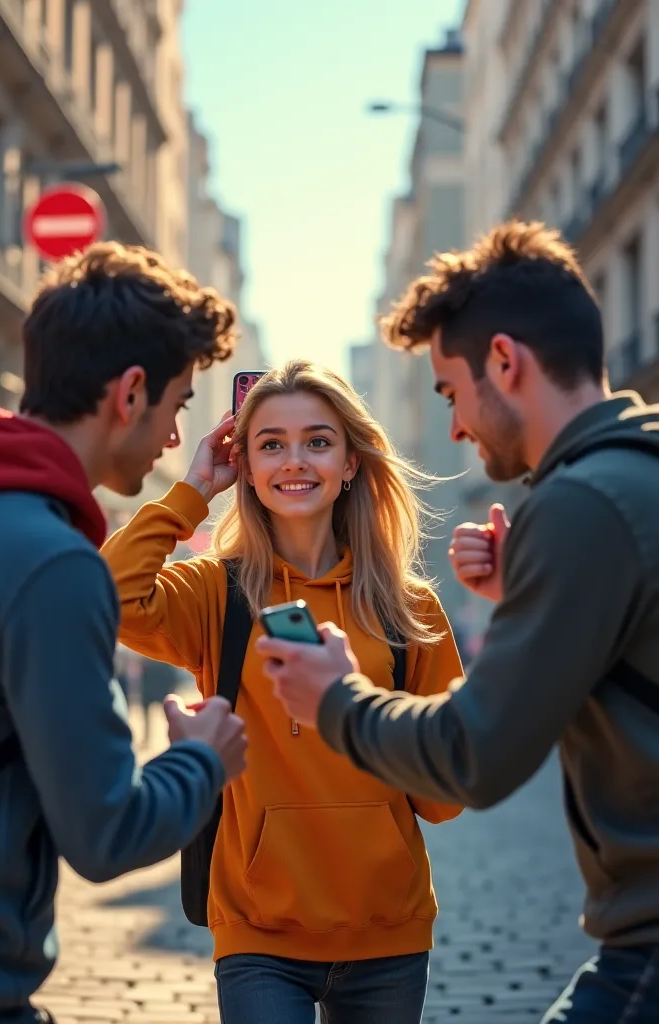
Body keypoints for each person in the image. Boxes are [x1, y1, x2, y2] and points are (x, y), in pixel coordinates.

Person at [257, 223, 659, 1023]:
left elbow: (473, 756)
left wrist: (337, 698)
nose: (454, 429)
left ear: (504, 363)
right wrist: (534, 600)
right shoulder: (633, 470)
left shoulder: (583, 502)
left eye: (450, 393)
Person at [101, 359, 464, 1024]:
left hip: (388, 930)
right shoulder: (217, 593)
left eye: (318, 441)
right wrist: (191, 492)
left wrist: (373, 721)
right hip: (257, 932)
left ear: (352, 462)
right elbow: (112, 598)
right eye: (271, 443)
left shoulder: (410, 610)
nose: (295, 460)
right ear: (245, 462)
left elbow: (443, 797)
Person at [0, 242, 248, 1024]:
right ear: (131, 393)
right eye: (179, 404)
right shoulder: (51, 564)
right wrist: (202, 759)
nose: (172, 435)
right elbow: (106, 833)